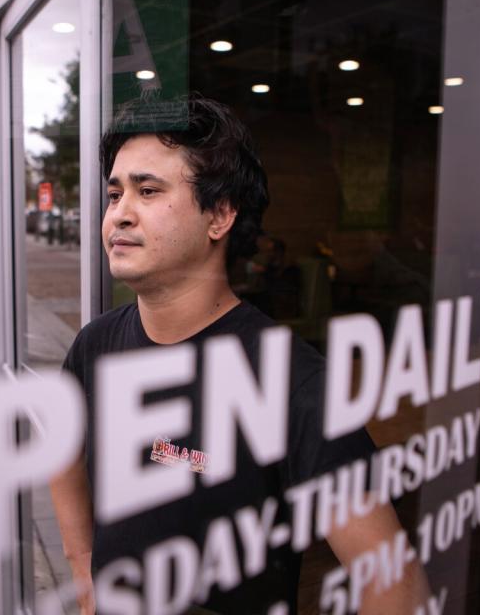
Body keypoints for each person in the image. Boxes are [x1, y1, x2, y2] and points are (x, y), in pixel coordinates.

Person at [50, 96, 429, 614]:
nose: (120, 213)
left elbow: (396, 588)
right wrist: (82, 567)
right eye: (115, 193)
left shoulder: (289, 379)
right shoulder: (95, 344)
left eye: (148, 190)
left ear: (220, 215)